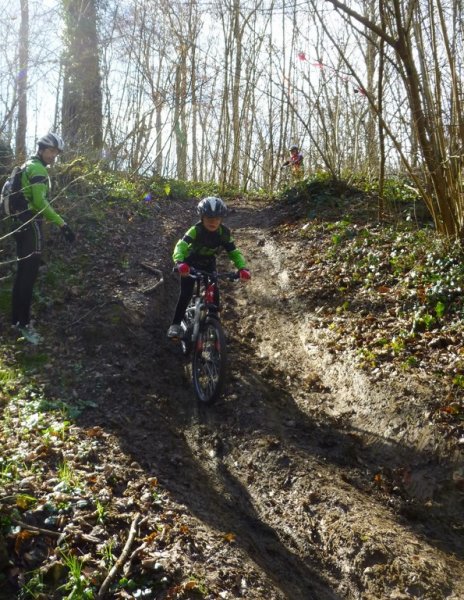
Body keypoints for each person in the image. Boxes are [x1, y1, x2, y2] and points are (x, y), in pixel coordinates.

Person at [10, 132, 75, 344]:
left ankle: (16, 321)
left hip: (19, 223)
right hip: (30, 223)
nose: (53, 156)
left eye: (56, 153)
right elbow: (40, 203)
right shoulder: (37, 169)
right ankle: (25, 325)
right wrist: (62, 223)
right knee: (29, 274)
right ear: (41, 149)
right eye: (50, 151)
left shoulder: (27, 165)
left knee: (22, 273)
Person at [167, 196, 251, 339]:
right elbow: (181, 245)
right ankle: (175, 324)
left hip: (208, 263)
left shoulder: (224, 233)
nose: (213, 222)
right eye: (209, 218)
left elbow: (234, 252)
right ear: (202, 217)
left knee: (214, 292)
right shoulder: (195, 230)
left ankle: (214, 325)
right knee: (186, 294)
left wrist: (242, 268)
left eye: (217, 218)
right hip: (189, 263)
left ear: (222, 219)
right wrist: (180, 262)